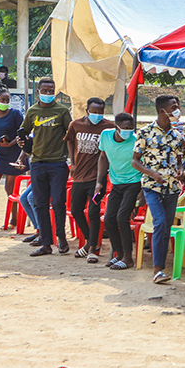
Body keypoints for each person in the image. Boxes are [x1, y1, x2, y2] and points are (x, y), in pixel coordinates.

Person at [132, 95, 185, 283]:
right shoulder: (145, 132)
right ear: (163, 110)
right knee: (160, 222)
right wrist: (152, 174)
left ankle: (160, 268)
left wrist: (181, 171)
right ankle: (157, 270)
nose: (177, 109)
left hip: (172, 187)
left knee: (166, 227)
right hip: (151, 187)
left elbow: (180, 162)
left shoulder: (177, 135)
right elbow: (135, 161)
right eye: (174, 107)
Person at [23, 77, 73, 257]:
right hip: (36, 163)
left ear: (55, 92)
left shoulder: (62, 111)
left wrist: (72, 160)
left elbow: (71, 134)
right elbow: (25, 134)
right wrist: (23, 147)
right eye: (44, 91)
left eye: (51, 91)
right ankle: (46, 243)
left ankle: (61, 237)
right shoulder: (32, 111)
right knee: (39, 204)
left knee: (59, 202)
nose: (47, 94)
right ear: (38, 92)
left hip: (58, 163)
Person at [66, 97, 115, 257]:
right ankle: (90, 241)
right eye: (94, 112)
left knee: (93, 212)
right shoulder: (76, 124)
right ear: (87, 111)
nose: (97, 115)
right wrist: (72, 162)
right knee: (76, 210)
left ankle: (92, 249)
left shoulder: (109, 127)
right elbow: (70, 140)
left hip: (97, 179)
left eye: (100, 112)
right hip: (79, 176)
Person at [96, 113, 140, 269]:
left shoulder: (136, 140)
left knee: (122, 218)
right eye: (125, 128)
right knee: (109, 219)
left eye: (131, 128)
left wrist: (142, 190)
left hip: (134, 183)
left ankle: (128, 257)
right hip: (116, 182)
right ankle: (119, 254)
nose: (128, 131)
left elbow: (143, 162)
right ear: (117, 127)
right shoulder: (106, 135)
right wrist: (99, 181)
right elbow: (102, 157)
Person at [0, 84, 25, 219]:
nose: (5, 103)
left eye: (7, 100)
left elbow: (22, 133)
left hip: (15, 155)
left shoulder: (15, 114)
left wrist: (10, 143)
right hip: (0, 154)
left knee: (10, 189)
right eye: (2, 100)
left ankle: (14, 219)